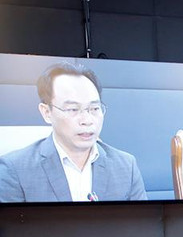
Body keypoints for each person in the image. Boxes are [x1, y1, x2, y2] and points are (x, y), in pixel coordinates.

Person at [0, 62, 146, 202]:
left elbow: (142, 219)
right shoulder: (14, 170)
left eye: (94, 109)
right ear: (46, 112)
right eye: (73, 109)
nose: (87, 120)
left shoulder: (126, 166)